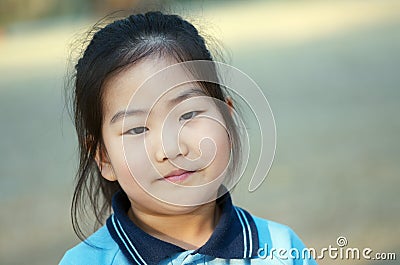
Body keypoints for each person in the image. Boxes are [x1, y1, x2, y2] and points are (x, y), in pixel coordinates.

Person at [60, 11, 317, 265]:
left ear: (227, 118)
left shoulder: (281, 248)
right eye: (137, 129)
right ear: (104, 158)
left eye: (188, 114)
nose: (171, 149)